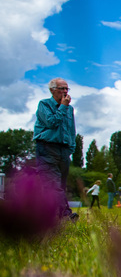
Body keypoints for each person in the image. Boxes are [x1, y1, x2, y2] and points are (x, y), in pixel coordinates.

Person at [32, 78, 78, 220]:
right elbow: (52, 122)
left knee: (61, 185)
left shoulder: (69, 109)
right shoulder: (44, 105)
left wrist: (71, 147)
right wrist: (63, 106)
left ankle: (52, 216)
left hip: (63, 150)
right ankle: (66, 215)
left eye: (66, 89)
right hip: (47, 148)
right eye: (61, 89)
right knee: (52, 184)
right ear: (52, 90)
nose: (65, 92)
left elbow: (71, 130)